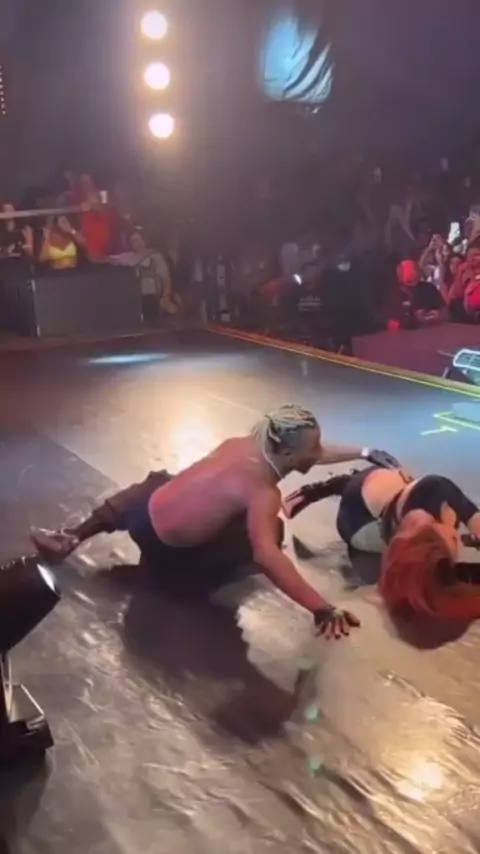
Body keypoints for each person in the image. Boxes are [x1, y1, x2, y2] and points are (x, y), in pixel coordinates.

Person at [31, 404, 399, 639]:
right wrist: (321, 608)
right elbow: (269, 557)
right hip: (168, 549)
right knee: (270, 534)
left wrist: (364, 452)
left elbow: (313, 454)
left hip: (142, 517)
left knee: (161, 480)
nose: (319, 452)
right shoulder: (262, 491)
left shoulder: (240, 445)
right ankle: (179, 578)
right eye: (313, 448)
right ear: (288, 454)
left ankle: (71, 537)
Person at [284, 465, 480, 621]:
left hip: (375, 484)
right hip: (356, 521)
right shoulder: (410, 531)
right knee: (377, 576)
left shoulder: (442, 491)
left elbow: (473, 518)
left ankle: (326, 488)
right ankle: (340, 561)